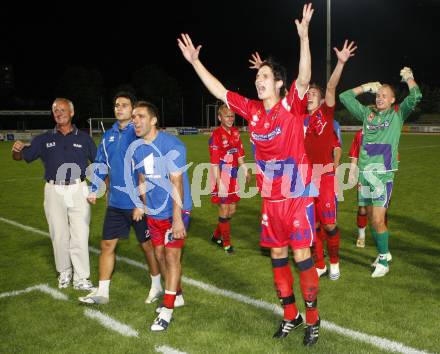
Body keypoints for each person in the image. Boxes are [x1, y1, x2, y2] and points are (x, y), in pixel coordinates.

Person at [178, 4, 321, 346]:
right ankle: (291, 316)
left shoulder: (290, 105)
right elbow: (220, 91)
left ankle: (313, 320)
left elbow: (303, 77)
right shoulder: (253, 111)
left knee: (301, 256)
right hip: (271, 199)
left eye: (265, 77)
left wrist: (304, 37)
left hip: (297, 195)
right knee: (277, 256)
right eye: (257, 77)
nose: (259, 81)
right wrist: (196, 62)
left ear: (279, 84)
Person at [79, 92, 162, 305]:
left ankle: (157, 285)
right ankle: (102, 292)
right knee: (107, 245)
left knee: (147, 246)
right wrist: (94, 188)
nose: (119, 108)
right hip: (116, 202)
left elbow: (150, 170)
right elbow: (100, 165)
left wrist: (142, 203)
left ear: (132, 109)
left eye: (124, 105)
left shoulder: (140, 134)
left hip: (138, 203)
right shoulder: (107, 137)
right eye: (117, 105)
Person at [339, 67, 422, 277]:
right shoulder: (367, 115)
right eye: (377, 95)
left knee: (377, 219)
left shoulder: (397, 115)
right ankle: (383, 253)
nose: (379, 98)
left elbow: (416, 96)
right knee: (370, 218)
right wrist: (365, 87)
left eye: (384, 95)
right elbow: (344, 96)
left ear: (393, 100)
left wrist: (409, 78)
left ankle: (384, 259)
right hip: (366, 175)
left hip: (383, 175)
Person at [12, 98, 96, 290]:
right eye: (55, 110)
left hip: (79, 188)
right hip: (53, 189)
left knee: (80, 234)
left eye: (62, 109)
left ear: (72, 112)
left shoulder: (84, 138)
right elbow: (22, 156)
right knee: (58, 234)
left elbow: (98, 164)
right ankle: (65, 272)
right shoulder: (44, 139)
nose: (58, 113)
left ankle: (82, 278)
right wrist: (16, 151)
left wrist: (99, 188)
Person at [131, 101, 192, 332]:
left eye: (141, 116)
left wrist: (177, 219)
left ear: (153, 120)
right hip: (154, 211)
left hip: (177, 209)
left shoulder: (171, 144)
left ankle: (167, 311)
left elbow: (177, 183)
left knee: (171, 256)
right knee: (159, 254)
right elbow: (142, 180)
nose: (135, 120)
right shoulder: (138, 148)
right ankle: (177, 295)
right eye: (134, 117)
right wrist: (141, 206)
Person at [302, 40, 357, 280]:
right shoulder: (298, 120)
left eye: (314, 94)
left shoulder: (326, 114)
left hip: (324, 176)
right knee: (311, 225)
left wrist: (340, 63)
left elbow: (332, 87)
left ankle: (334, 262)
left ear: (322, 100)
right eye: (308, 94)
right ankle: (320, 263)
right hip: (305, 178)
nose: (309, 96)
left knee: (329, 225)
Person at [209, 104, 250, 254]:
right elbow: (214, 163)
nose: (230, 118)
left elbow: (239, 153)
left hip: (233, 175)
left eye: (232, 116)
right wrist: (219, 184)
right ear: (220, 117)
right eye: (227, 116)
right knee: (224, 210)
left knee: (231, 211)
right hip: (220, 176)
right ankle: (226, 243)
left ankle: (215, 235)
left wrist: (245, 169)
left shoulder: (235, 132)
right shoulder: (216, 135)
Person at [348, 129, 394, 249]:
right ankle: (361, 236)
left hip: (381, 176)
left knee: (380, 209)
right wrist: (352, 173)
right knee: (363, 209)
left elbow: (392, 156)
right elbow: (354, 154)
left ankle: (382, 240)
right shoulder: (360, 133)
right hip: (364, 175)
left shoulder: (386, 132)